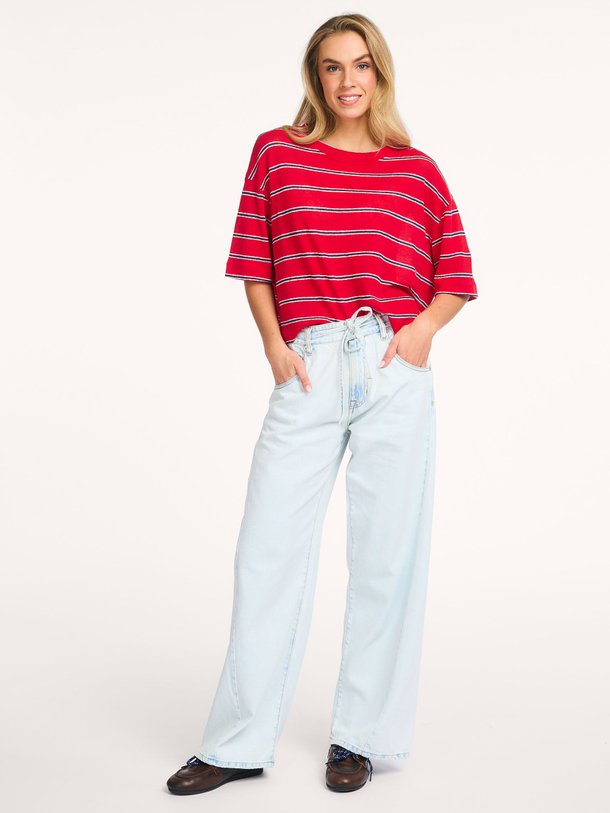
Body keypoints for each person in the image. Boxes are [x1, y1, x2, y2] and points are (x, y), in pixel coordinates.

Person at [166, 12, 478, 796]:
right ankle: (237, 741)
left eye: (361, 65)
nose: (347, 81)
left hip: (391, 365)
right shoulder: (278, 153)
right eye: (333, 66)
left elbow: (455, 273)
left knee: (385, 559)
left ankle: (359, 737)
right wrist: (274, 346)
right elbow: (255, 259)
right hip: (307, 363)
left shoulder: (417, 171)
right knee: (267, 549)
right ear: (315, 75)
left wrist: (420, 333)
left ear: (380, 74)